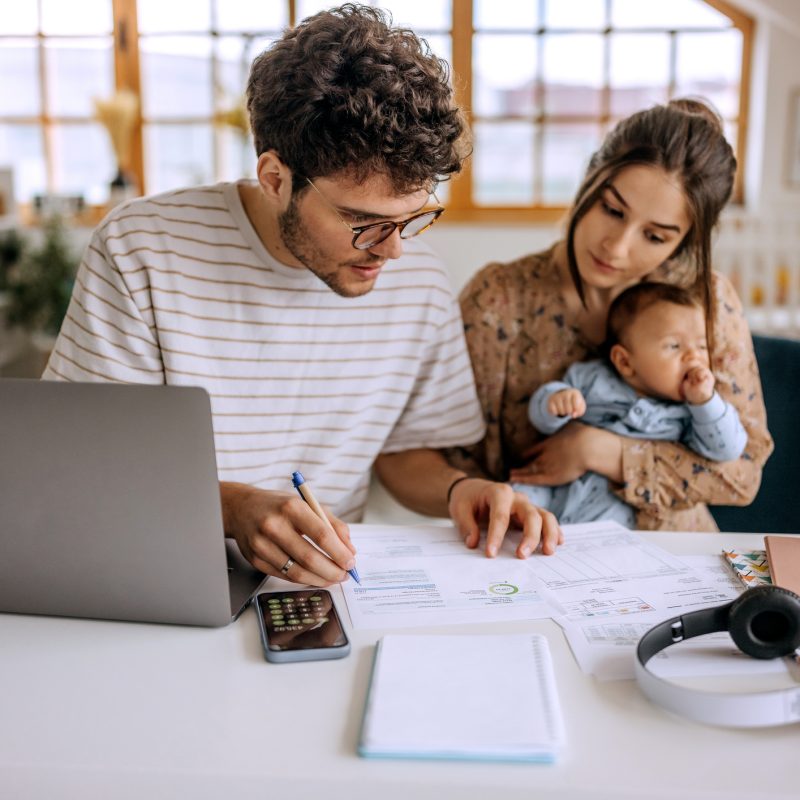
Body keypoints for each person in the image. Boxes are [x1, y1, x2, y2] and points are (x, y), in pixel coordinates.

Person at [42, 4, 561, 587]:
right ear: (274, 178)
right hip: (159, 574)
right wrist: (233, 509)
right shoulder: (144, 248)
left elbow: (404, 454)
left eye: (412, 218)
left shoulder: (418, 280)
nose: (392, 251)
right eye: (363, 221)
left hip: (328, 590)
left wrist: (462, 490)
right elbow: (85, 467)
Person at [449, 98, 773, 536]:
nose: (616, 247)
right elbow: (451, 463)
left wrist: (600, 450)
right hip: (532, 551)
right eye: (612, 210)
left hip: (676, 561)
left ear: (683, 242)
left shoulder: (707, 302)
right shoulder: (498, 300)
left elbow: (742, 473)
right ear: (588, 178)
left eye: (655, 236)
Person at [511, 282, 748, 527]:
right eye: (674, 346)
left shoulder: (691, 412)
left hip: (615, 501)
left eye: (701, 346)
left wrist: (705, 402)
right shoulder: (592, 378)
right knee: (516, 497)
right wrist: (554, 402)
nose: (693, 356)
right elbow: (541, 422)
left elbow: (727, 450)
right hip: (557, 486)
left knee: (610, 529)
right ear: (625, 361)